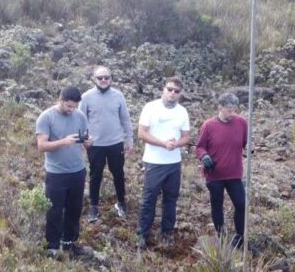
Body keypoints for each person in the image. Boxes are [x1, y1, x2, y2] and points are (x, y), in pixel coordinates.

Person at [35, 86, 92, 257]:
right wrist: (63, 142)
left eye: (74, 107)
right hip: (56, 173)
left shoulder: (80, 116)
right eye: (68, 106)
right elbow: (41, 146)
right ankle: (52, 247)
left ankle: (69, 243)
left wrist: (89, 142)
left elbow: (85, 141)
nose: (71, 110)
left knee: (75, 209)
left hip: (78, 170)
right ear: (60, 100)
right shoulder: (46, 117)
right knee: (54, 210)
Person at [137, 76, 190, 248]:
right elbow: (142, 133)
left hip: (173, 163)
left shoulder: (182, 111)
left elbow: (186, 137)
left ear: (180, 94)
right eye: (170, 89)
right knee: (149, 198)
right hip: (154, 162)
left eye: (176, 91)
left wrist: (176, 145)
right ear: (163, 89)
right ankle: (142, 234)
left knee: (171, 199)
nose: (172, 93)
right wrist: (163, 144)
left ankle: (166, 232)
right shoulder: (150, 107)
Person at [80, 66, 133, 222]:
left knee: (118, 174)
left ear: (111, 78)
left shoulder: (118, 96)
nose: (103, 80)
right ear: (94, 79)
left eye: (106, 77)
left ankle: (121, 203)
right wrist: (83, 141)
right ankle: (94, 207)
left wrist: (129, 140)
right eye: (100, 78)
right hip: (95, 145)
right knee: (95, 176)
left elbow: (125, 119)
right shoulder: (86, 97)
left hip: (115, 143)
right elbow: (81, 120)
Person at [196, 92, 248, 248]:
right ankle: (221, 235)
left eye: (234, 109)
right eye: (228, 110)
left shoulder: (242, 123)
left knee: (241, 204)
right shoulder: (208, 125)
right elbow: (200, 147)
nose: (232, 113)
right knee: (217, 203)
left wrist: (252, 150)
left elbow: (246, 144)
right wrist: (204, 156)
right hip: (214, 174)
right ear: (220, 108)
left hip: (234, 173)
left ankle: (240, 238)